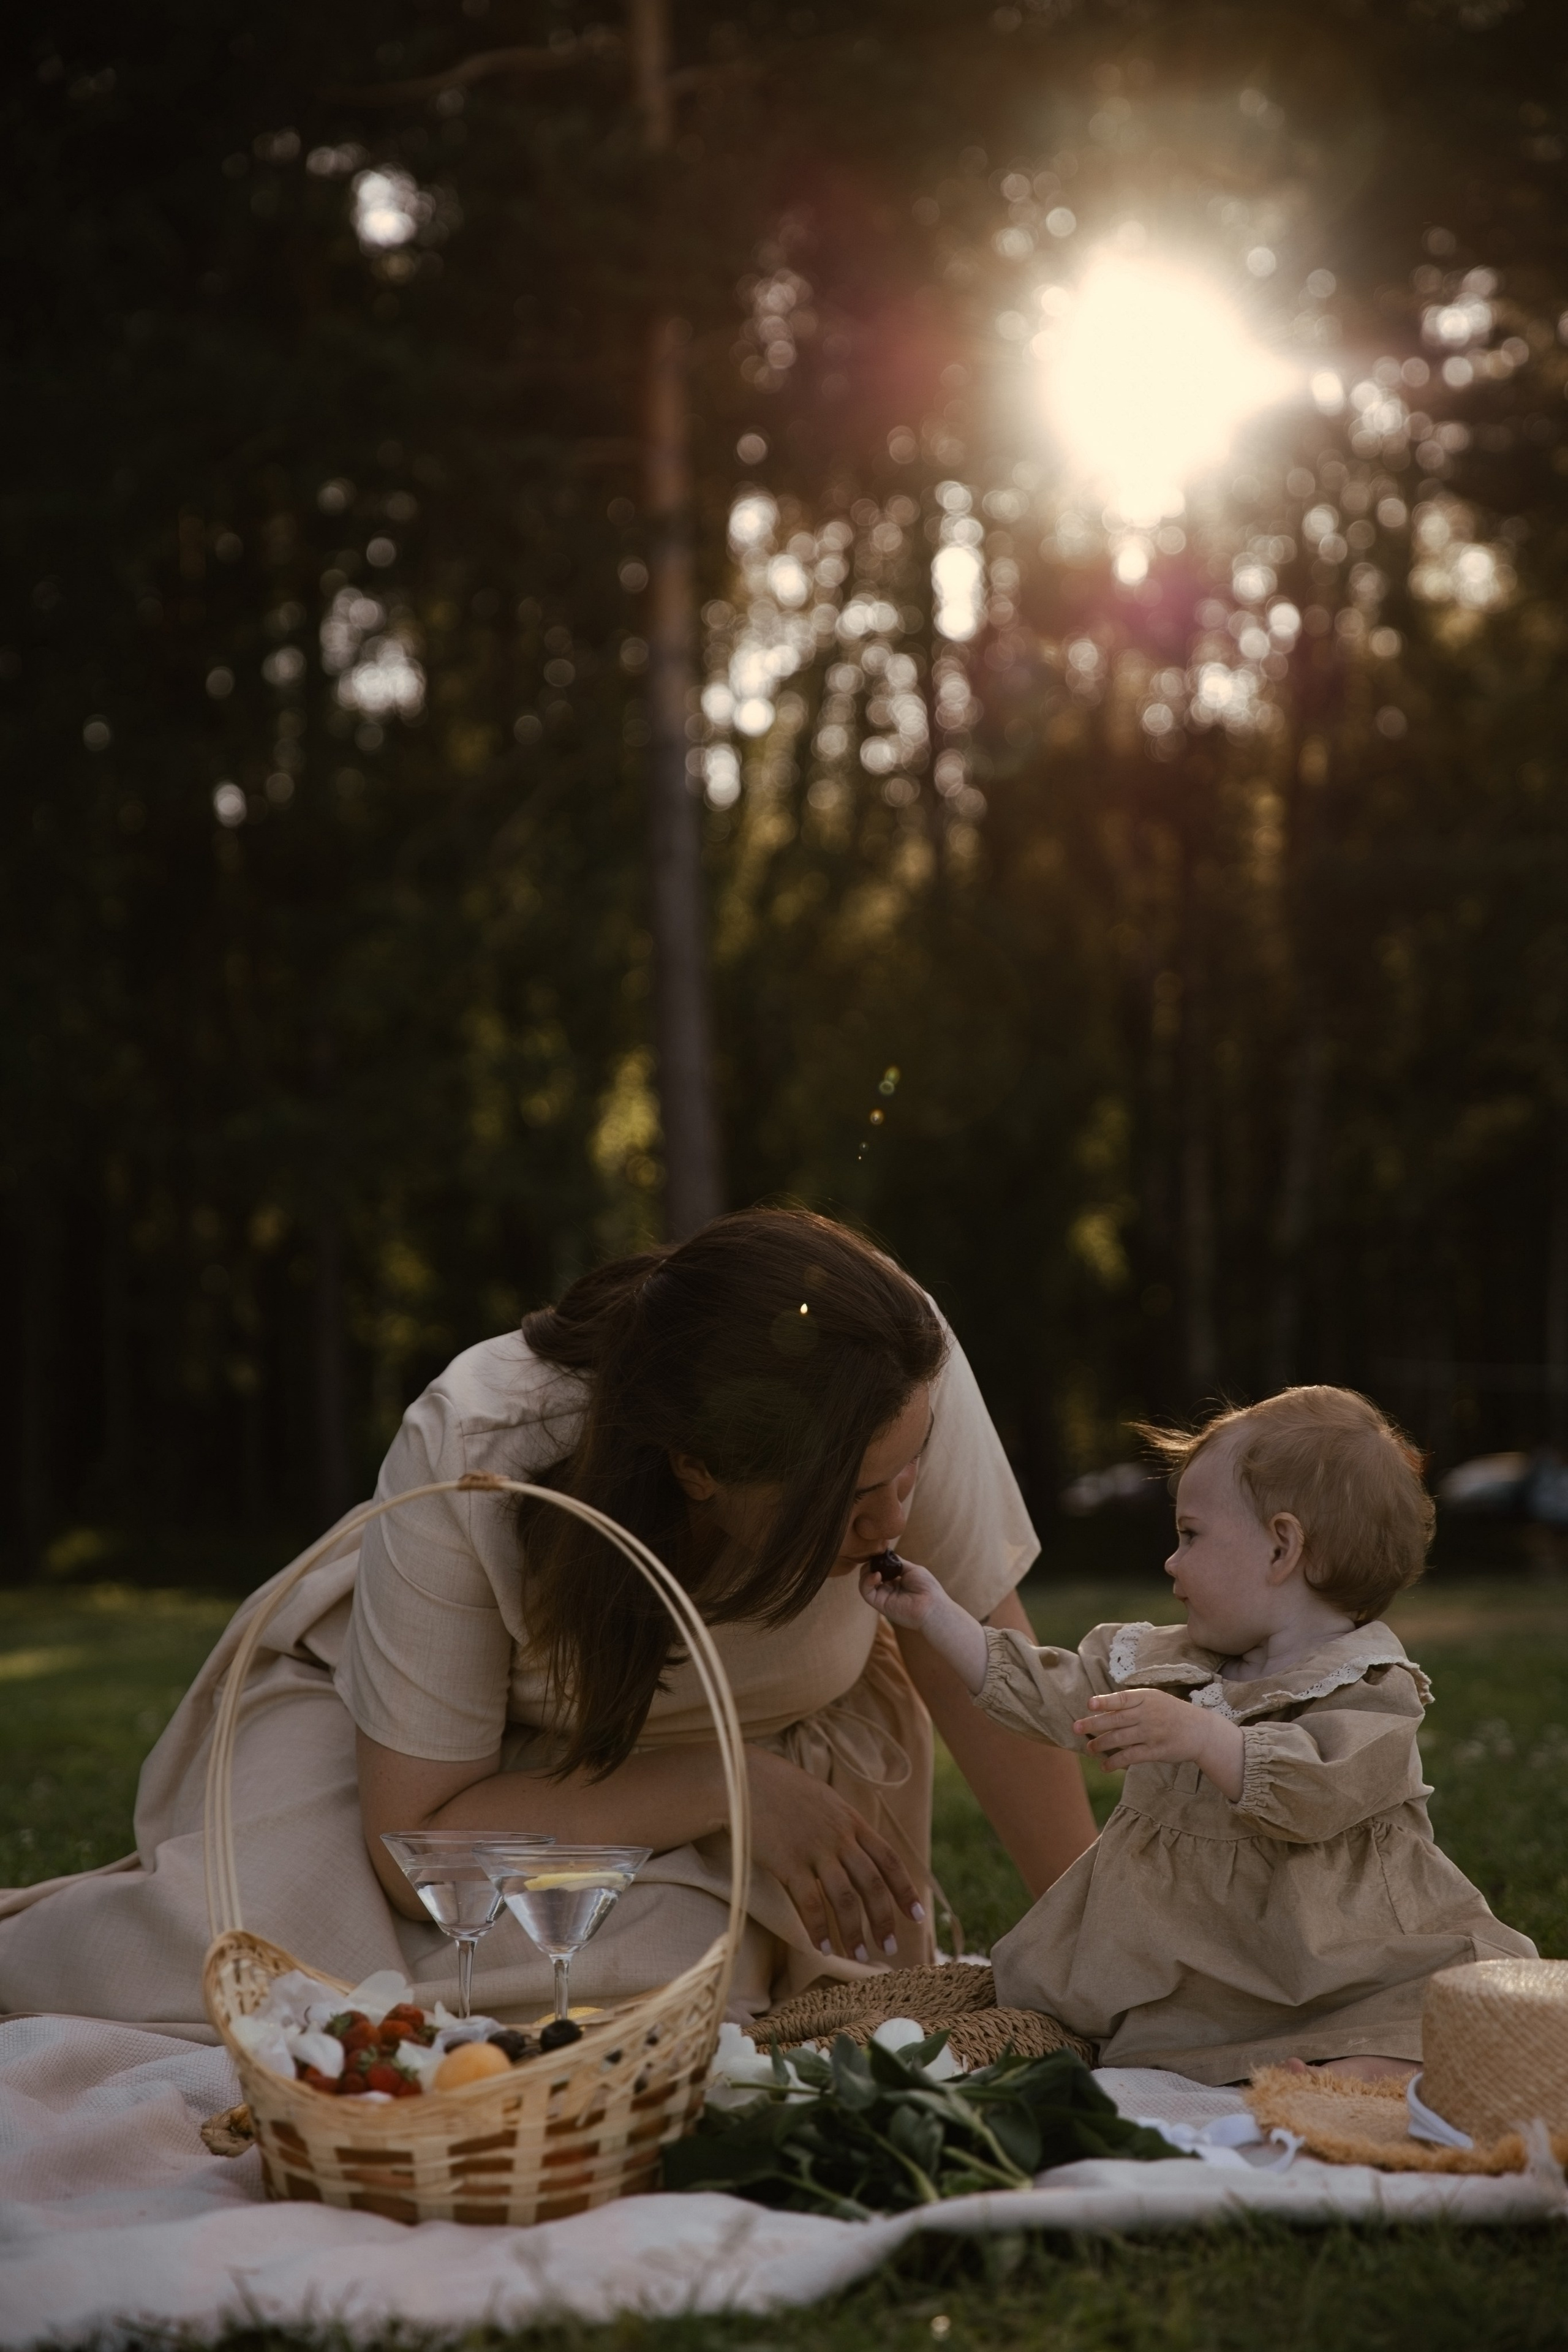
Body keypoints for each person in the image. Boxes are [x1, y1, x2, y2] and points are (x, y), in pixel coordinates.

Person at [0, 1208, 1096, 2034]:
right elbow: (415, 1843)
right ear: (700, 1468)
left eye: (909, 1477)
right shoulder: (479, 1446)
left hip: (751, 1766)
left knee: (664, 1984)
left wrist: (1094, 1933)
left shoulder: (893, 1371)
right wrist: (730, 1786)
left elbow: (978, 1668)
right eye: (857, 1503)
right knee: (249, 1979)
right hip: (415, 1776)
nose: (897, 1517)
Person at [862, 1384, 1537, 2087]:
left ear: (1281, 1547)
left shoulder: (1368, 1688)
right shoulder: (1168, 1662)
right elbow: (1054, 1691)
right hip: (1196, 1963)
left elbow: (1319, 1790)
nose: (1170, 1563)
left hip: (1336, 1959)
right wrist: (939, 1617)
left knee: (1431, 2005)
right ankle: (1281, 2061)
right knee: (1147, 2023)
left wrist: (1205, 1738)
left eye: (1190, 1535)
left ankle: (1363, 2070)